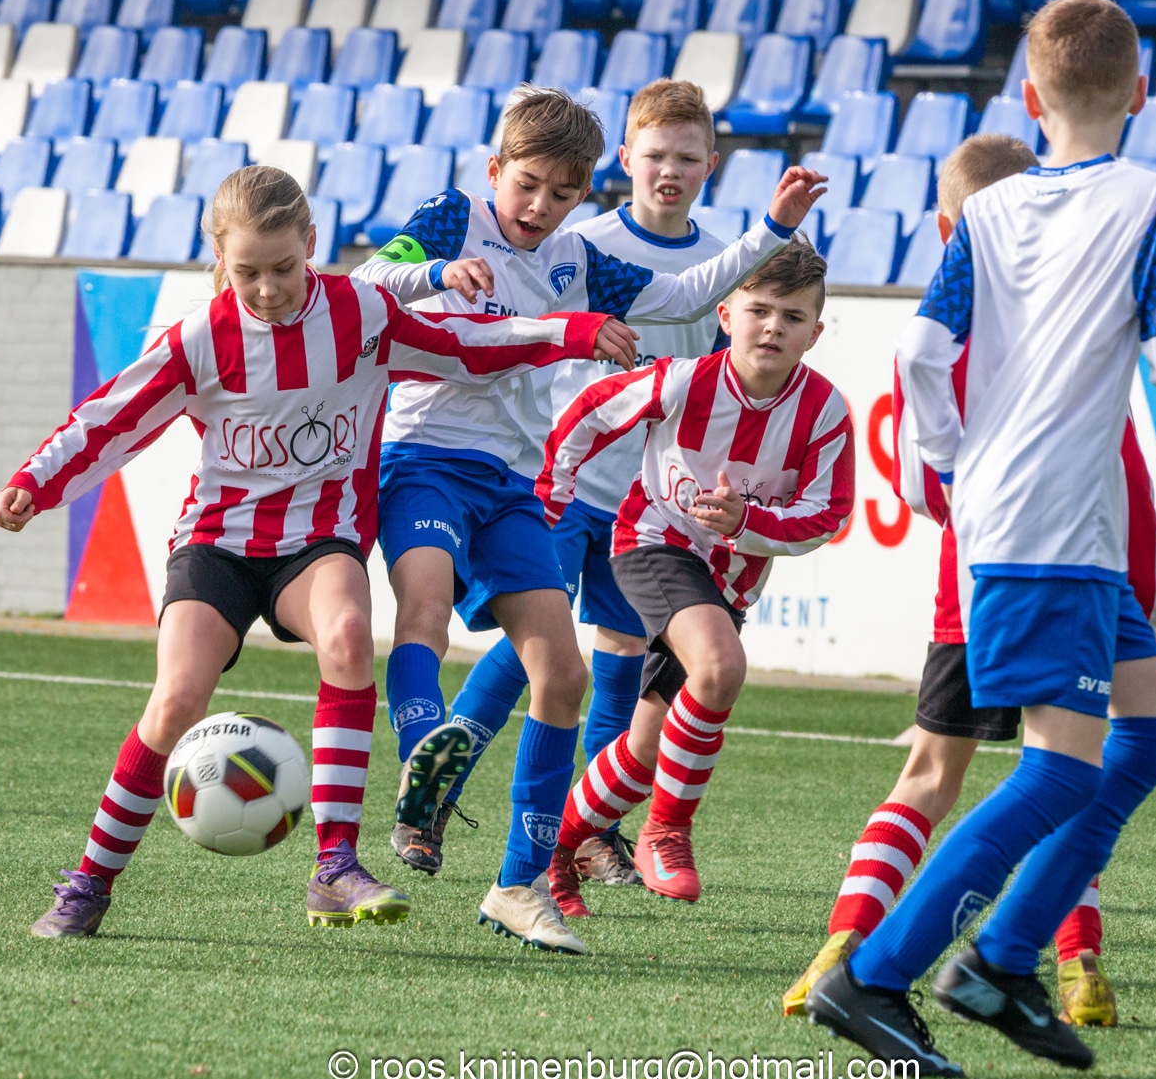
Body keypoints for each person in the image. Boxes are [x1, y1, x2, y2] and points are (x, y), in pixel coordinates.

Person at [804, 0, 1156, 1078]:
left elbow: (919, 350)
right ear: (1142, 93)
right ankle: (884, 972)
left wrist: (954, 463)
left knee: (1155, 729)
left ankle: (999, 958)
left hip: (1042, 520)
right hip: (1052, 527)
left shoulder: (990, 210)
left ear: (1030, 100)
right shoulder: (1153, 199)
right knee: (1055, 775)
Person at [0, 165, 635, 939]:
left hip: (320, 539)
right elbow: (112, 416)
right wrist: (36, 480)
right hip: (219, 541)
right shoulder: (200, 339)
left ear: (310, 243)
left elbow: (463, 345)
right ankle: (89, 883)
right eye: (248, 272)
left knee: (347, 635)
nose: (268, 288)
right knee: (176, 699)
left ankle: (335, 865)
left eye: (284, 267)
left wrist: (567, 331)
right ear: (220, 260)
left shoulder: (360, 311)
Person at [352, 88, 824, 954]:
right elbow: (363, 285)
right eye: (527, 186)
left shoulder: (575, 256)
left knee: (564, 674)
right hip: (429, 458)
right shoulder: (453, 217)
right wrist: (437, 274)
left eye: (562, 193)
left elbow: (682, 295)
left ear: (583, 193)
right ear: (495, 170)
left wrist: (772, 229)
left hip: (518, 480)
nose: (541, 207)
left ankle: (519, 884)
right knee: (424, 605)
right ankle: (425, 760)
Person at [782, 134, 1156, 1028]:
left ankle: (842, 947)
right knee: (1067, 768)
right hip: (1090, 576)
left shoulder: (943, 334)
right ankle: (1078, 964)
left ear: (947, 227)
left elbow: (923, 490)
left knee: (930, 771)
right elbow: (1128, 467)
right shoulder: (1080, 321)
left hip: (976, 583)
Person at [436, 80, 732, 892]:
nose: (669, 171)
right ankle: (440, 782)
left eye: (686, 157)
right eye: (655, 154)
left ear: (710, 165)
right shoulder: (581, 244)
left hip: (646, 501)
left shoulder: (722, 262)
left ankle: (591, 830)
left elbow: (720, 379)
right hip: (562, 482)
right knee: (533, 646)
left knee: (624, 654)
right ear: (626, 160)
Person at [536, 238, 856, 915]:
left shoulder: (826, 411)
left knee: (648, 745)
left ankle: (553, 856)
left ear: (816, 332)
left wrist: (748, 520)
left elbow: (826, 516)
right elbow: (591, 411)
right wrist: (551, 497)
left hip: (728, 584)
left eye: (792, 317)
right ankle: (665, 832)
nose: (773, 327)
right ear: (726, 314)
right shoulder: (684, 380)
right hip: (654, 542)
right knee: (720, 667)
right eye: (759, 310)